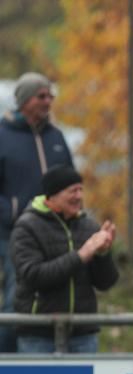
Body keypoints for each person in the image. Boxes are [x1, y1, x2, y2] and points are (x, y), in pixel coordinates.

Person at [0, 71, 74, 352]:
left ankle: (49, 356)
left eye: (50, 95)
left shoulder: (56, 136)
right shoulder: (3, 136)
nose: (48, 101)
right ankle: (7, 362)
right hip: (15, 234)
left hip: (55, 231)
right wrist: (12, 213)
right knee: (16, 299)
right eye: (41, 96)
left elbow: (71, 179)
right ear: (24, 100)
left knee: (53, 299)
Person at [9, 166, 117, 353]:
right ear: (53, 195)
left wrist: (102, 254)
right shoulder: (26, 227)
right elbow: (33, 276)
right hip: (38, 334)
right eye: (72, 191)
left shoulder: (89, 225)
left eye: (81, 190)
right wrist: (81, 255)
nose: (79, 196)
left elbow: (106, 283)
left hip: (83, 334)